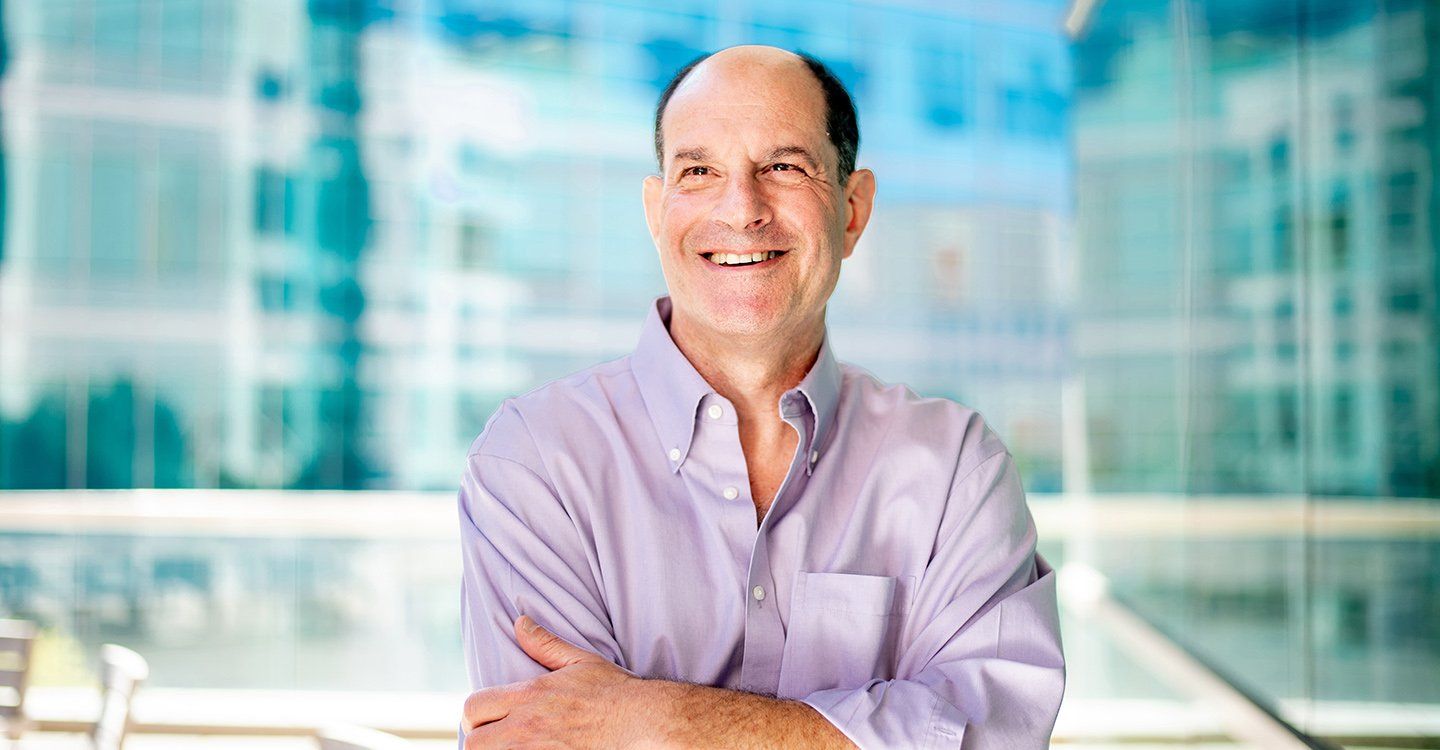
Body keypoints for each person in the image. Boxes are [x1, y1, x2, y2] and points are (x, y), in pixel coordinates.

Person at [457, 44, 1064, 748]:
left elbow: (994, 741)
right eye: (699, 171)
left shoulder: (955, 470)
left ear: (853, 209)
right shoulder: (536, 461)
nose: (741, 209)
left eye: (783, 167)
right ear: (658, 212)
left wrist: (648, 719)